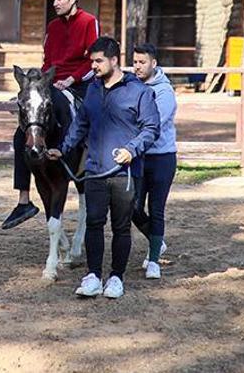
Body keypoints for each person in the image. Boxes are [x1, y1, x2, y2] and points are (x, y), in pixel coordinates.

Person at [47, 37, 159, 299]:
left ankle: (117, 277)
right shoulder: (93, 90)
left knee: (121, 227)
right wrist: (62, 149)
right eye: (91, 61)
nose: (93, 66)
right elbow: (80, 125)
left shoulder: (139, 91)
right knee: (94, 224)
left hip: (125, 173)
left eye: (98, 61)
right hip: (95, 170)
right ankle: (93, 276)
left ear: (114, 60)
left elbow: (151, 128)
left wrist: (131, 149)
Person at [2, 0, 99, 230]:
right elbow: (48, 61)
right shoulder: (53, 27)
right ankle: (24, 199)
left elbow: (93, 61)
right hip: (52, 84)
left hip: (79, 83)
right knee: (21, 132)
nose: (54, 3)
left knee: (92, 123)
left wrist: (71, 79)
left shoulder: (89, 22)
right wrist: (41, 83)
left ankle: (93, 168)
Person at [131, 43, 177, 280]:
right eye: (135, 62)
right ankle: (156, 242)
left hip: (161, 158)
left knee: (155, 209)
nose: (137, 67)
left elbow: (152, 126)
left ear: (153, 64)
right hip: (138, 158)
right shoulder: (131, 85)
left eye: (142, 62)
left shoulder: (164, 92)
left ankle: (154, 261)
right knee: (132, 206)